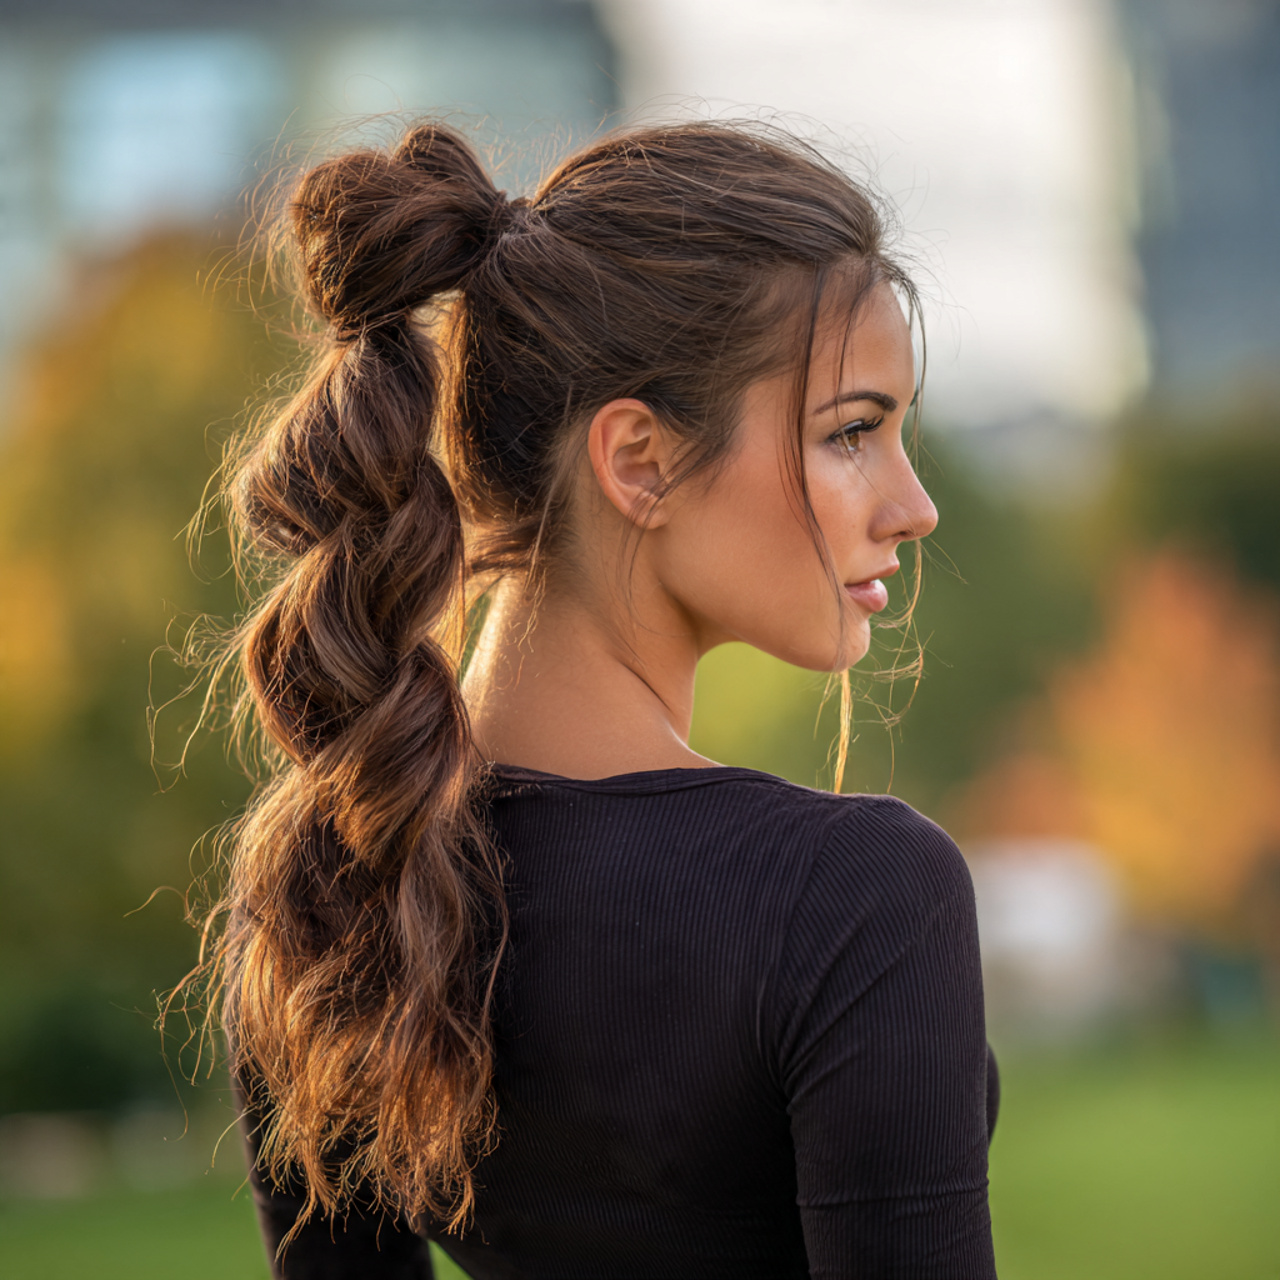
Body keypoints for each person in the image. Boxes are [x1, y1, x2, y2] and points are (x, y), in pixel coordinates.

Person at [215, 118, 998, 1279]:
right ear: (636, 459)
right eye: (850, 434)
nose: (912, 504)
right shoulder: (853, 893)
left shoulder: (328, 877)